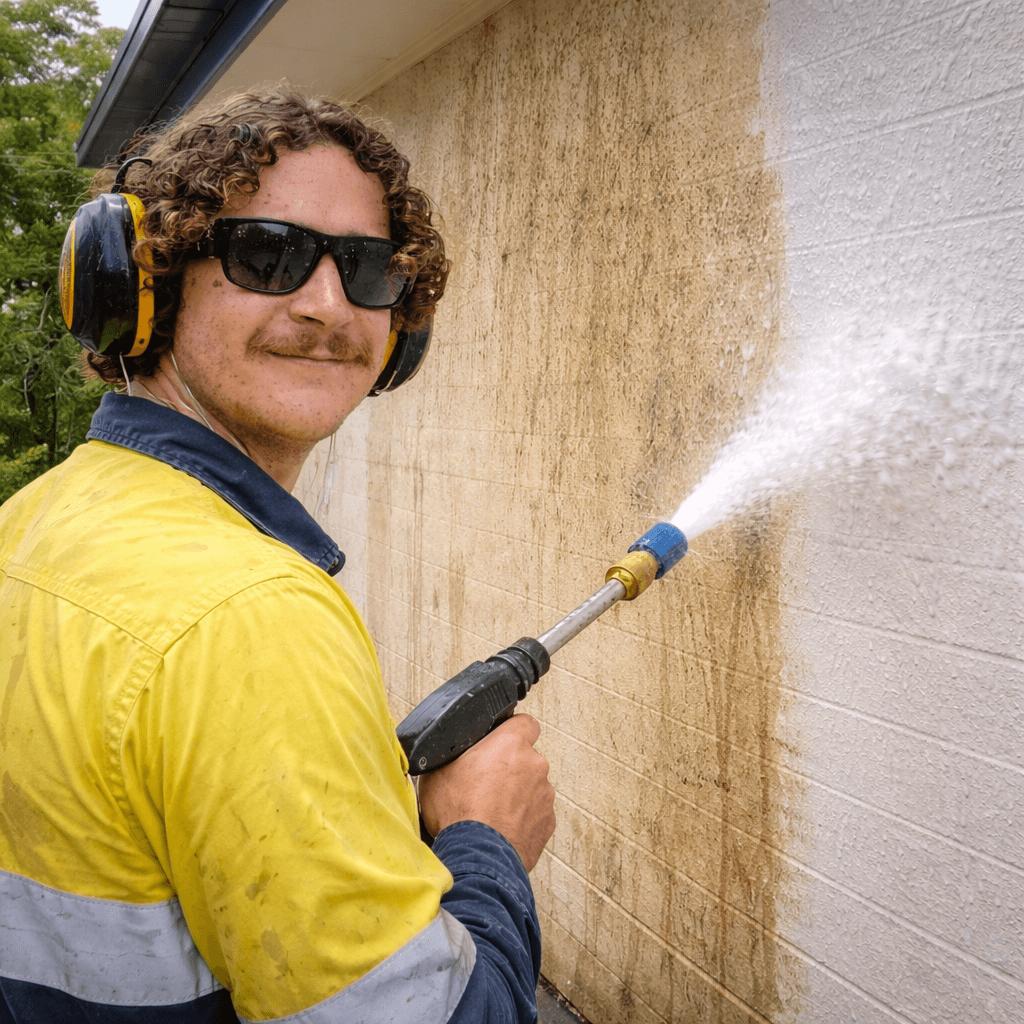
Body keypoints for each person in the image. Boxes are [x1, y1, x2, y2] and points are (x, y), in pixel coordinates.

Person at [0, 87, 555, 1023]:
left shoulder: (32, 522)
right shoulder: (247, 614)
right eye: (270, 254)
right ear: (145, 287)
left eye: (370, 270)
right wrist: (483, 842)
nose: (330, 306)